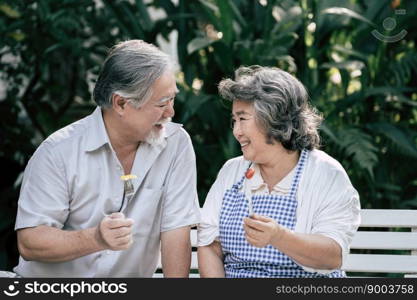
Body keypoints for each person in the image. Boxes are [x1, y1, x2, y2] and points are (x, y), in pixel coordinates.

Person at [13, 40, 201, 277]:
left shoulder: (176, 143)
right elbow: (30, 242)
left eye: (172, 99)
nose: (171, 113)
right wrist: (96, 238)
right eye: (162, 103)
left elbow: (176, 228)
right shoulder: (58, 152)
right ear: (121, 103)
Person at [197, 65, 361, 278]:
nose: (236, 132)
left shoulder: (326, 173)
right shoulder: (232, 172)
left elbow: (332, 256)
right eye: (234, 121)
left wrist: (279, 237)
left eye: (243, 119)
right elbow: (210, 246)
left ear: (272, 118)